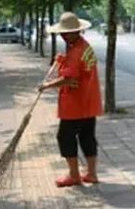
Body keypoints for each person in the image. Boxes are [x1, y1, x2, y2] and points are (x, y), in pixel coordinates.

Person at [38, 12, 103, 187]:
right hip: (89, 101)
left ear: (77, 31)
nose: (64, 36)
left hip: (75, 105)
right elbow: (80, 69)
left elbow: (70, 79)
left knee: (65, 137)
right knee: (87, 137)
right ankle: (91, 174)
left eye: (67, 33)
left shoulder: (76, 52)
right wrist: (63, 60)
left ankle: (74, 175)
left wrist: (47, 85)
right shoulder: (84, 46)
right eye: (62, 33)